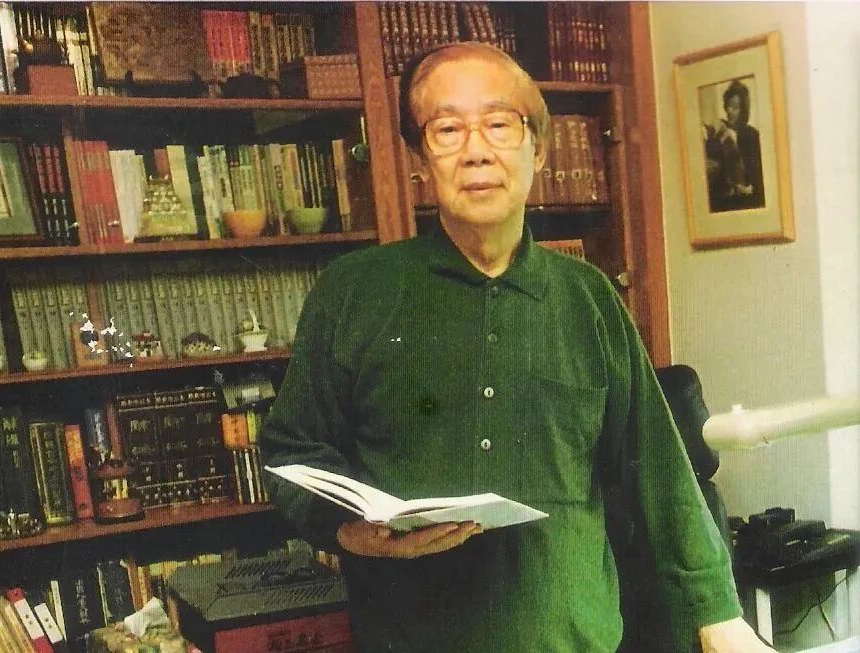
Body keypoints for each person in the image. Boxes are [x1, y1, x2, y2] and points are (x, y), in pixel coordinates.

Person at [262, 42, 774, 652]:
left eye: (500, 124)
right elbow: (292, 451)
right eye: (447, 129)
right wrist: (351, 532)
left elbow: (659, 469)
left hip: (573, 641)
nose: (476, 150)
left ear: (538, 148)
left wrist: (719, 619)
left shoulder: (588, 297)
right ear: (419, 158)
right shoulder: (352, 291)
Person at [704, 79, 764, 212]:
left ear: (743, 110)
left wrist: (750, 188)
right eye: (728, 106)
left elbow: (759, 174)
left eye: (735, 107)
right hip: (725, 202)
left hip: (749, 200)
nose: (730, 111)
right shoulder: (719, 132)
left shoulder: (752, 135)